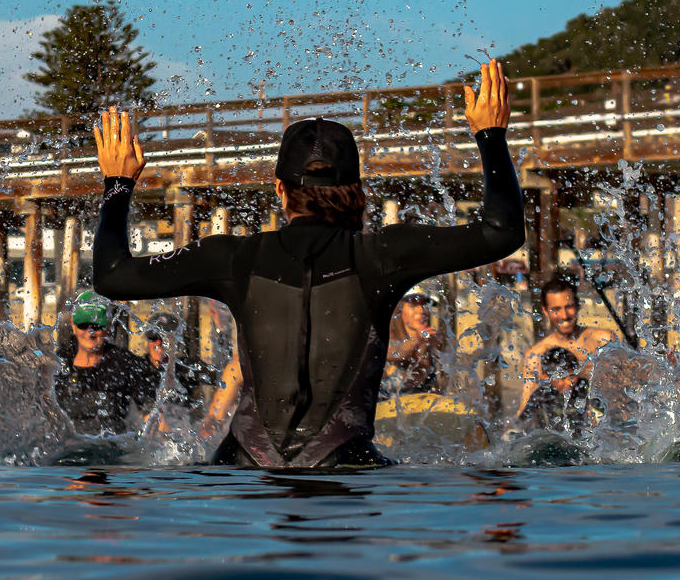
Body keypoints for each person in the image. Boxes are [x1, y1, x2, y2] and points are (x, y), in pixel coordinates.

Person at [91, 58, 524, 468]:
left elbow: (113, 276)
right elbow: (500, 232)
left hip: (240, 471)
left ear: (280, 190)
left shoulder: (234, 258)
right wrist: (490, 135)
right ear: (357, 189)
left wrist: (117, 183)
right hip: (345, 465)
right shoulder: (382, 255)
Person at [54, 292, 159, 436]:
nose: (90, 332)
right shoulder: (57, 362)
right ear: (73, 325)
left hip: (109, 448)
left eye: (97, 326)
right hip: (66, 447)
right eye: (83, 325)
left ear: (109, 326)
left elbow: (152, 414)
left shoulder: (125, 364)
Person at [517, 276, 612, 417]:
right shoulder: (535, 355)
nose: (564, 315)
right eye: (556, 309)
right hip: (566, 425)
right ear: (545, 310)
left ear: (577, 305)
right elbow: (526, 405)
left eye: (569, 307)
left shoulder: (602, 340)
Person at [516, 346, 592, 437]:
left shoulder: (582, 387)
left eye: (572, 376)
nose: (570, 382)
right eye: (563, 378)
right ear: (546, 376)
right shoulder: (542, 394)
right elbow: (522, 422)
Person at [383, 291, 448, 395]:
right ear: (399, 309)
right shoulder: (383, 337)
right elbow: (394, 353)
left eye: (425, 305)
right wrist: (417, 339)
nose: (421, 310)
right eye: (413, 306)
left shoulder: (430, 341)